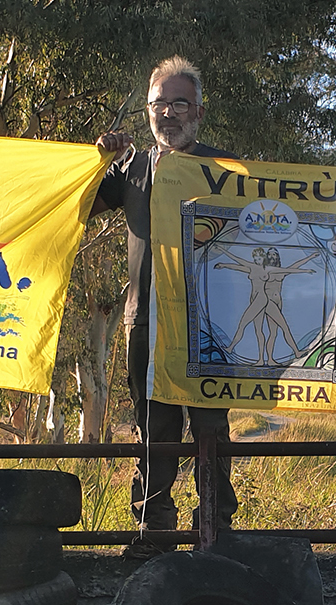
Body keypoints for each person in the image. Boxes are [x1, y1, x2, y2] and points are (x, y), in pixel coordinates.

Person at [93, 56, 242, 558]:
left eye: (181, 104)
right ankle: (153, 530)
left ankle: (215, 530)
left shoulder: (226, 168)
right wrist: (99, 160)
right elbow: (82, 203)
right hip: (145, 322)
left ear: (199, 112)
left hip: (208, 322)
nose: (169, 114)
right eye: (160, 104)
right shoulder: (131, 166)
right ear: (148, 111)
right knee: (152, 427)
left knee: (208, 428)